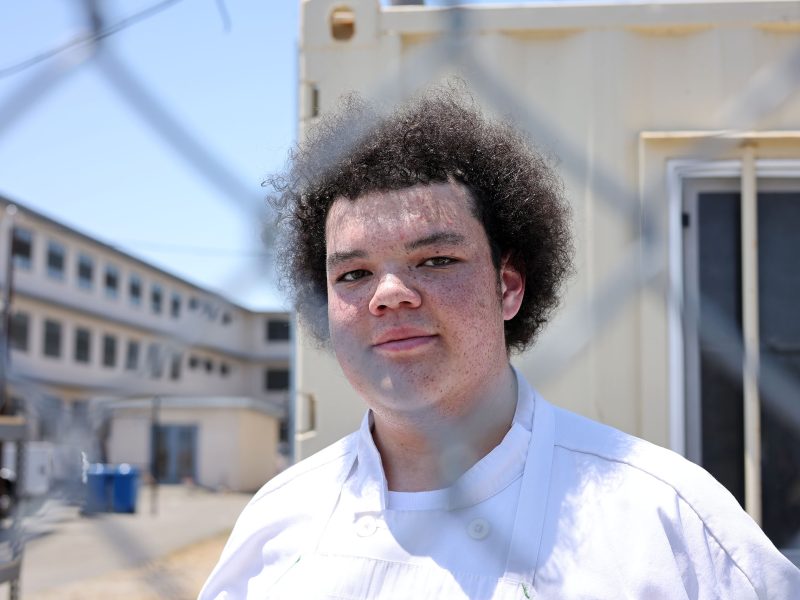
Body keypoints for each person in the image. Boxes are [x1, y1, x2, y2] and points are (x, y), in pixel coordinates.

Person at [200, 87, 800, 599]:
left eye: (435, 259)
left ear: (507, 287)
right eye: (352, 274)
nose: (388, 293)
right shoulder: (276, 521)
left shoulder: (668, 517)